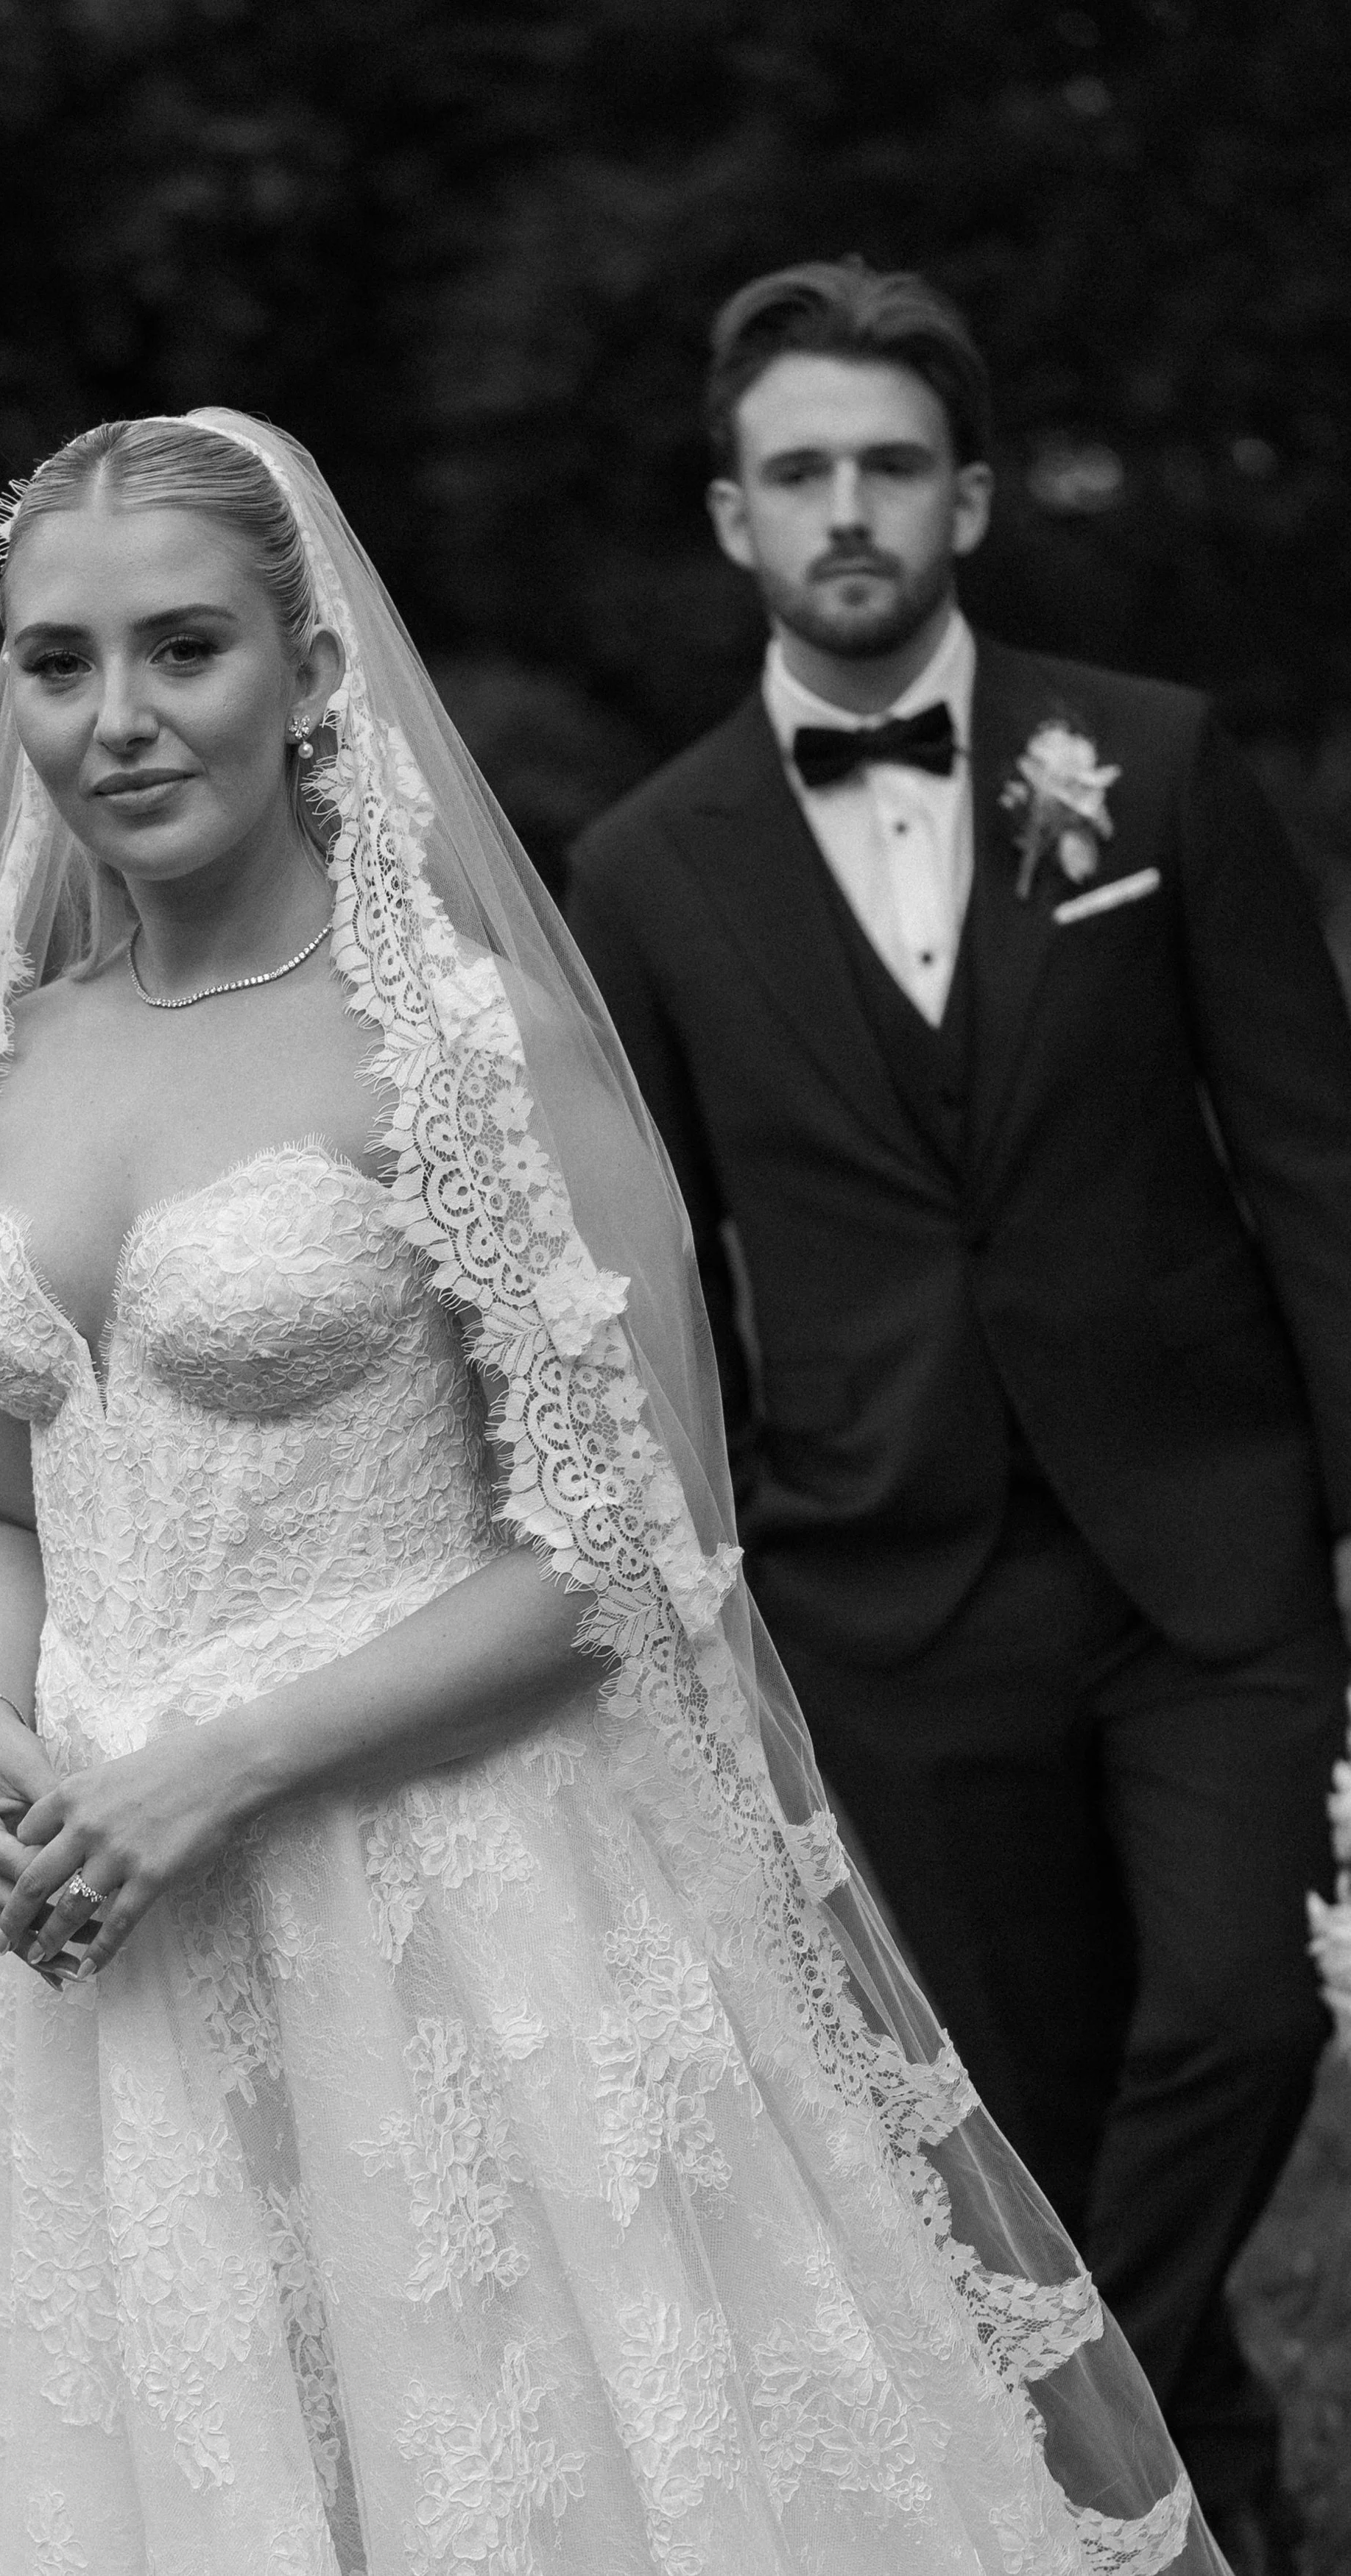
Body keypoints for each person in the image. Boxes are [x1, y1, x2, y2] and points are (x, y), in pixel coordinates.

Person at [0, 406, 1226, 2575]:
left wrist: (215, 1768)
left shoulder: (467, 1045)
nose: (112, 721)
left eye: (183, 650)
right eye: (55, 662)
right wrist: (0, 1724)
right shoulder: (22, 1052)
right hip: (117, 1962)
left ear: (313, 676)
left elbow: (621, 1552)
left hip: (458, 1917)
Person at [564, 261, 1351, 2576]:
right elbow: (652, 1274)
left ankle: (1032, 2448)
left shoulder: (1155, 764)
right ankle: (1227, 2513)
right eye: (795, 472)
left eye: (887, 464)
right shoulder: (640, 867)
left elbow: (1309, 1159)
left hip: (1206, 1545)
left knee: (1233, 2015)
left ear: (970, 497)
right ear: (730, 520)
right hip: (888, 1592)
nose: (844, 510)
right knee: (1027, 2088)